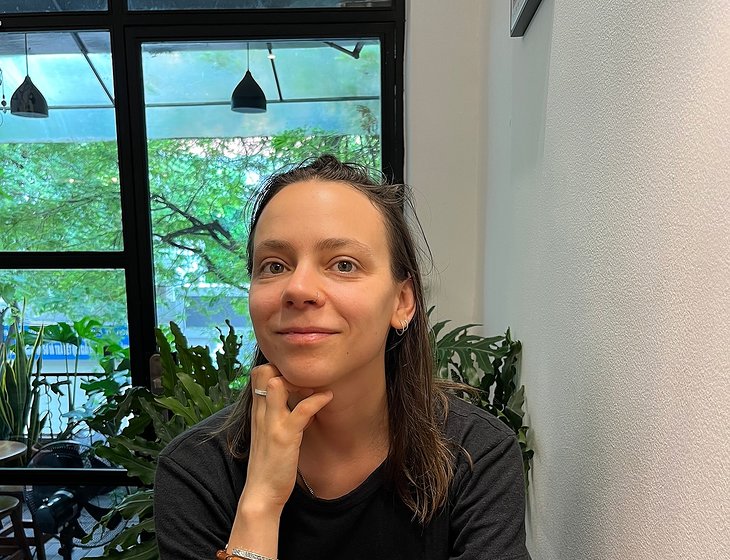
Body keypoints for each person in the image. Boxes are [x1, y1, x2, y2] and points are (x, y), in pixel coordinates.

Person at [154, 154, 530, 560]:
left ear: (402, 301)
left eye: (344, 264)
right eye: (274, 266)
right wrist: (260, 503)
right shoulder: (195, 471)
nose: (298, 289)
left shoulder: (477, 455)